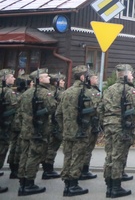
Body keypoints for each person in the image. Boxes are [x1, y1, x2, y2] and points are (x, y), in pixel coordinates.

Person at [100, 64, 135, 198]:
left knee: (110, 155)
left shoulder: (109, 89)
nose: (133, 77)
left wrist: (105, 121)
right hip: (121, 125)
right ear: (126, 75)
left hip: (109, 124)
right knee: (118, 156)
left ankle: (109, 185)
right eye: (131, 74)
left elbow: (101, 108)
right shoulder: (129, 90)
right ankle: (116, 187)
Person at [17, 68, 57, 196]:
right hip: (38, 130)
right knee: (34, 156)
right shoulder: (45, 93)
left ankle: (22, 181)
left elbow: (20, 110)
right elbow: (52, 107)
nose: (49, 78)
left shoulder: (26, 93)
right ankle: (29, 183)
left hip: (26, 130)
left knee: (24, 155)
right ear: (39, 79)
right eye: (46, 76)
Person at [58, 64, 96, 196]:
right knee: (77, 157)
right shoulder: (87, 92)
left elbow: (58, 114)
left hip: (68, 131)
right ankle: (73, 185)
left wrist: (65, 126)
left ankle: (67, 184)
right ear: (82, 77)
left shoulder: (66, 92)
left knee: (68, 157)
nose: (89, 78)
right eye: (87, 76)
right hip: (81, 130)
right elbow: (94, 111)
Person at [78, 73, 101, 182]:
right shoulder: (89, 91)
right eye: (95, 77)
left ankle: (85, 168)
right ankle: (82, 170)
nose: (97, 79)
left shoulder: (94, 90)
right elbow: (96, 107)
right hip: (88, 123)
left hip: (93, 123)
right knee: (86, 147)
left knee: (89, 147)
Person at [42, 73, 65, 180]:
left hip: (51, 122)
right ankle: (48, 170)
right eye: (62, 81)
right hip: (54, 122)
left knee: (50, 146)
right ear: (56, 82)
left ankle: (48, 168)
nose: (64, 82)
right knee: (52, 146)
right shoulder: (56, 93)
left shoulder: (52, 91)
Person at [0, 69, 19, 191]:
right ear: (4, 79)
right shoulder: (7, 91)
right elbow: (16, 106)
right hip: (4, 126)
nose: (14, 79)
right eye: (11, 77)